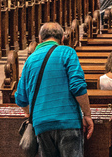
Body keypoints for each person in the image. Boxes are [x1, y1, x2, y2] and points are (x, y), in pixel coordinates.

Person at [13, 22, 93, 157]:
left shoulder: (30, 60)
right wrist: (87, 114)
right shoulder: (67, 52)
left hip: (41, 124)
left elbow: (20, 97)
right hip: (67, 121)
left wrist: (29, 113)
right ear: (62, 38)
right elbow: (78, 86)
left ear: (40, 39)